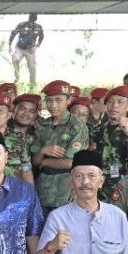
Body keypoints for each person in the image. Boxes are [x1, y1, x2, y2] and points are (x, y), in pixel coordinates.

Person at [33, 80, 90, 215]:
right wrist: (43, 151)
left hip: (66, 192)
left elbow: (72, 162)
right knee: (43, 233)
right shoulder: (43, 126)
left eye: (58, 100)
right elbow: (34, 161)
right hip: (42, 191)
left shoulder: (77, 126)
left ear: (68, 100)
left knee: (65, 233)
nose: (53, 105)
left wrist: (45, 161)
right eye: (49, 101)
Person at [90, 86, 128, 195]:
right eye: (110, 102)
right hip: (101, 188)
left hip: (127, 187)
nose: (114, 106)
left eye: (120, 102)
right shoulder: (97, 130)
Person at [9, 14, 44, 83]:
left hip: (31, 50)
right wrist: (9, 46)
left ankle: (32, 85)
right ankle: (17, 77)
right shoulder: (22, 25)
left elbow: (41, 37)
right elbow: (13, 33)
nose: (31, 23)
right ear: (28, 18)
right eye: (31, 19)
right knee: (15, 59)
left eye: (33, 20)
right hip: (20, 48)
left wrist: (36, 46)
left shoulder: (38, 27)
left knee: (33, 67)